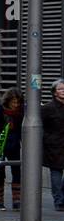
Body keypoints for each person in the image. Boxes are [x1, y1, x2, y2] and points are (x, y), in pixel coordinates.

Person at [0, 87, 24, 212]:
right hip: (0, 143)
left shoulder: (21, 111)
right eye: (13, 102)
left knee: (16, 171)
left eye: (18, 102)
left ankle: (16, 200)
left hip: (14, 144)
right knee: (0, 172)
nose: (16, 104)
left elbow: (22, 129)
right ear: (8, 101)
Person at [44, 79, 64, 212]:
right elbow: (41, 126)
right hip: (54, 146)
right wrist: (47, 139)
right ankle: (59, 200)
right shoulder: (48, 108)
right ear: (54, 92)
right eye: (60, 89)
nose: (63, 91)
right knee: (56, 171)